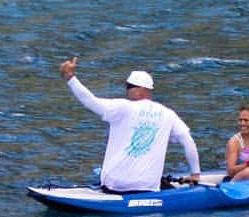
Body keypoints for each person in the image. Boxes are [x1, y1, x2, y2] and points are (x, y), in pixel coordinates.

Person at [59, 56, 201, 193]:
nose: (127, 89)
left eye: (130, 86)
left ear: (144, 90)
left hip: (116, 187)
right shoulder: (168, 113)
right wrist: (195, 174)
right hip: (148, 187)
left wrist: (70, 78)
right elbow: (188, 141)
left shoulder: (122, 107)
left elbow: (90, 101)